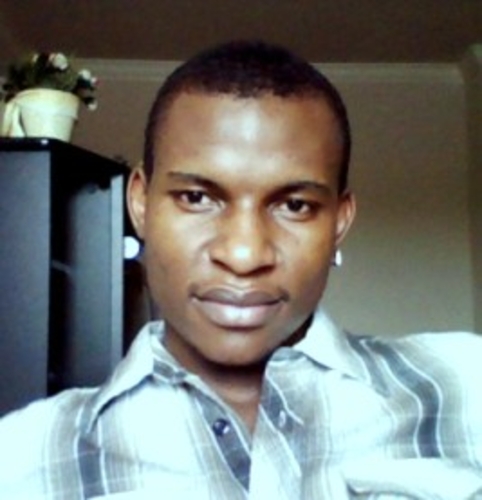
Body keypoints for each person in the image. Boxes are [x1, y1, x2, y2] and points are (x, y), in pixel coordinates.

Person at [1, 40, 481, 499]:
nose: (244, 255)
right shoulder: (22, 457)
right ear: (141, 204)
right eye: (197, 198)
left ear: (339, 220)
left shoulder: (465, 384)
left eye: (294, 205)